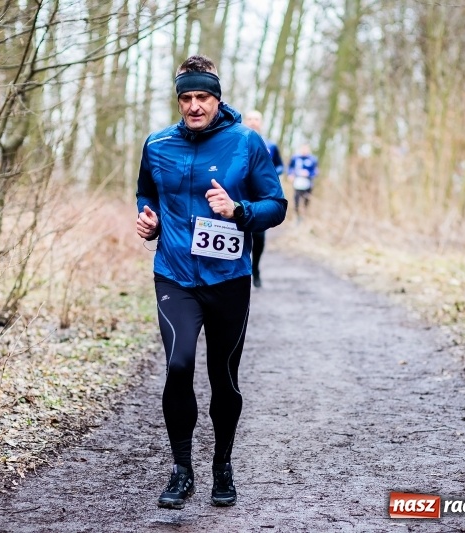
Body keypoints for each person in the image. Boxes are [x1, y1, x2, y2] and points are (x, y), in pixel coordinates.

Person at [135, 55, 287, 509]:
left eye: (203, 97)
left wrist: (239, 212)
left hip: (228, 280)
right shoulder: (157, 143)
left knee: (223, 378)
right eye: (186, 98)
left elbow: (275, 205)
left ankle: (222, 464)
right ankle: (182, 470)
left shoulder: (246, 142)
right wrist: (148, 219)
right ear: (178, 101)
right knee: (179, 365)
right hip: (175, 274)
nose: (195, 106)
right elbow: (146, 190)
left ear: (217, 98)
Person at [242, 110, 284, 288]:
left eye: (256, 119)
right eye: (250, 119)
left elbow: (280, 166)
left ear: (261, 122)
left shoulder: (271, 146)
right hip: (240, 195)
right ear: (245, 121)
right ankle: (241, 273)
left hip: (261, 197)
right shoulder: (238, 141)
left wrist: (272, 174)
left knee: (259, 237)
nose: (253, 122)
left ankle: (256, 269)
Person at [287, 144, 318, 221]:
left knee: (306, 201)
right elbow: (290, 168)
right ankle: (297, 216)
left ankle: (304, 217)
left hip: (308, 183)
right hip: (298, 183)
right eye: (303, 149)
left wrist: (308, 174)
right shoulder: (295, 158)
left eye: (306, 149)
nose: (304, 150)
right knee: (296, 200)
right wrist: (291, 174)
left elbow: (316, 171)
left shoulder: (313, 159)